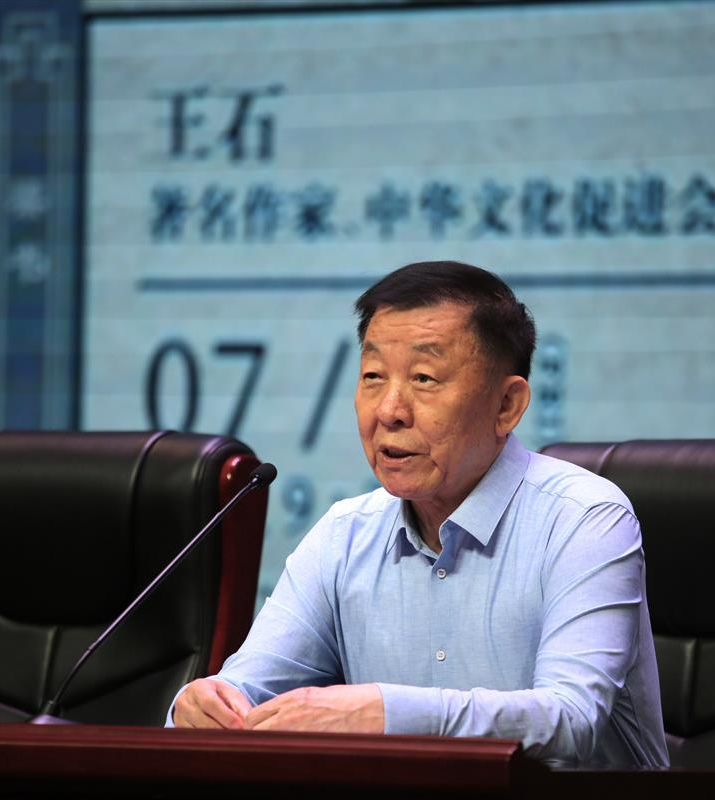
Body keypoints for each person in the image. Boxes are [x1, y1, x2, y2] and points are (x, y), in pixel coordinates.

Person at [168, 261, 668, 768]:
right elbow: (247, 689)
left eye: (424, 378)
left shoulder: (585, 520)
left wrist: (386, 713)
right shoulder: (345, 534)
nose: (389, 410)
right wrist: (205, 707)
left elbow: (570, 719)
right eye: (372, 376)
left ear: (507, 406)